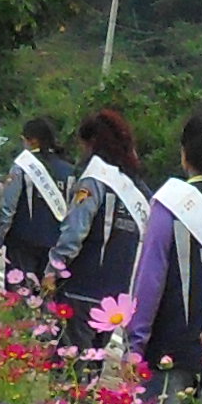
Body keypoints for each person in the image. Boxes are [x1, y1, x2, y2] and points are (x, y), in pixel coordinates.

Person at [126, 112, 202, 387]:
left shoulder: (172, 203)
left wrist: (134, 345)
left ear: (185, 154)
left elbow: (150, 278)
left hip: (171, 350)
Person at [48, 107, 151, 349]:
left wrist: (53, 268)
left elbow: (75, 231)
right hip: (116, 295)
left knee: (70, 360)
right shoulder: (139, 188)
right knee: (95, 360)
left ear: (92, 143)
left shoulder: (94, 178)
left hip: (82, 286)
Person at [0, 114, 71, 284]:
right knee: (44, 294)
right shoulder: (69, 170)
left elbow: (8, 206)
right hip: (54, 243)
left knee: (18, 293)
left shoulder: (22, 166)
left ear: (32, 141)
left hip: (22, 240)